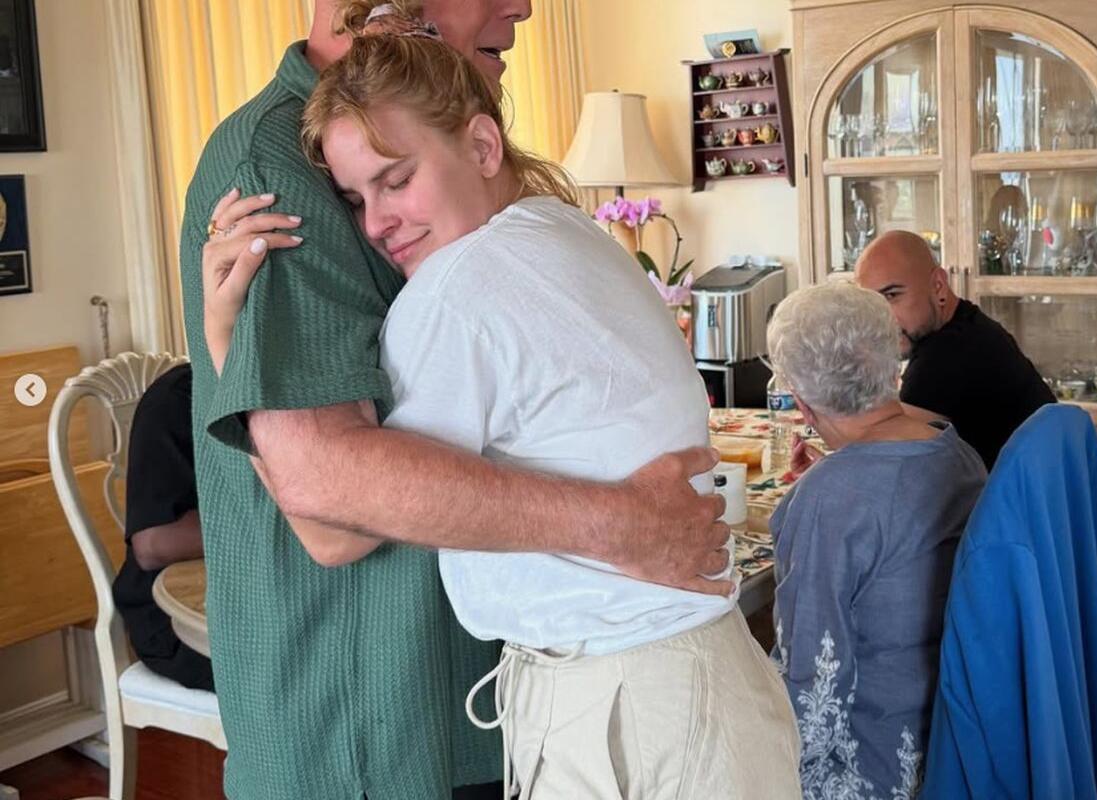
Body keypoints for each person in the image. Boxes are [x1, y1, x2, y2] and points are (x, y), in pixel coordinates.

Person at [203, 15, 802, 799]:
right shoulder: (565, 231)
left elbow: (331, 526)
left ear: (483, 148)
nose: (376, 224)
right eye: (354, 198)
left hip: (628, 707)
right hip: (695, 684)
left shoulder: (456, 291)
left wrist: (227, 345)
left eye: (396, 179)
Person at [766, 282, 986, 799]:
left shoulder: (831, 500)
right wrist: (831, 484)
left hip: (874, 767)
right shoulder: (955, 449)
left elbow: (814, 699)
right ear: (893, 366)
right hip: (956, 739)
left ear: (802, 403)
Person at [855, 230, 1056, 469]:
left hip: (1007, 493)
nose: (879, 318)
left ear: (938, 286)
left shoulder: (945, 357)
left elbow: (882, 465)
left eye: (892, 295)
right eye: (871, 304)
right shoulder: (969, 326)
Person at [111, 363, 213, 692]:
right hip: (171, 621)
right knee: (318, 667)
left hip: (264, 594)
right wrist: (283, 527)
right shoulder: (176, 399)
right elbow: (153, 544)